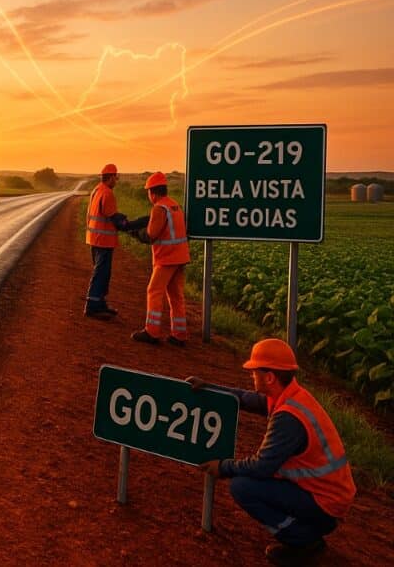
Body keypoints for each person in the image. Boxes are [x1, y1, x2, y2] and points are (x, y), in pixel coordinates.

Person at [188, 339, 356, 566]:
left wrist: (223, 467)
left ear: (269, 377)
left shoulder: (288, 417)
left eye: (254, 371)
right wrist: (210, 389)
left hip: (325, 505)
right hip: (326, 494)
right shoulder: (291, 395)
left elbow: (261, 466)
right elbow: (247, 399)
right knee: (247, 483)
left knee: (242, 487)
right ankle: (305, 532)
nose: (251, 375)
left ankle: (304, 541)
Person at [130, 171, 189, 346]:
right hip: (180, 256)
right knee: (176, 296)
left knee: (154, 291)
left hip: (167, 258)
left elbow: (151, 235)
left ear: (152, 192)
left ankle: (152, 332)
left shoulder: (158, 208)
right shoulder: (173, 205)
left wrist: (136, 234)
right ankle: (179, 335)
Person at [84, 163, 128, 319]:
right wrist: (128, 225)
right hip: (104, 240)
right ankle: (92, 306)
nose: (116, 180)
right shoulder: (107, 193)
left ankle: (100, 303)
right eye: (116, 177)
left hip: (94, 239)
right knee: (101, 273)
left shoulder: (96, 190)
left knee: (103, 273)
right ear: (110, 178)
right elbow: (113, 217)